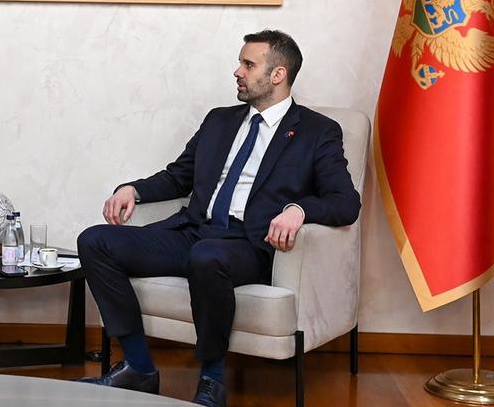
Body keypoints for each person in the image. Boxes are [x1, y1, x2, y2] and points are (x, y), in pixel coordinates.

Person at [77, 30, 360, 407]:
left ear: (278, 74)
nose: (237, 71)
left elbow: (345, 202)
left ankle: (212, 379)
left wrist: (299, 210)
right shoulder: (220, 121)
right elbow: (179, 176)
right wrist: (133, 189)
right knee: (95, 241)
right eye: (240, 63)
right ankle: (138, 368)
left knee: (207, 257)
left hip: (248, 245)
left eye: (248, 64)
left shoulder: (317, 131)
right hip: (192, 232)